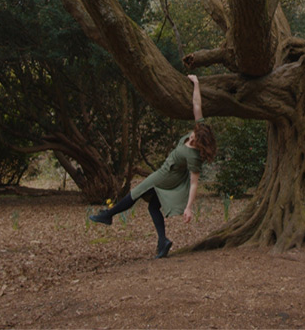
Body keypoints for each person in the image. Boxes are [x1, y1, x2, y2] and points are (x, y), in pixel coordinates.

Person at [89, 75, 217, 259]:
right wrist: (196, 84)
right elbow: (197, 105)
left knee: (137, 191)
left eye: (196, 140)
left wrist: (188, 208)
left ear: (201, 145)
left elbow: (194, 183)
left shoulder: (194, 156)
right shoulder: (200, 129)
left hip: (166, 176)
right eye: (194, 135)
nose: (192, 137)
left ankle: (108, 215)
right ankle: (163, 241)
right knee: (153, 207)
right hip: (165, 172)